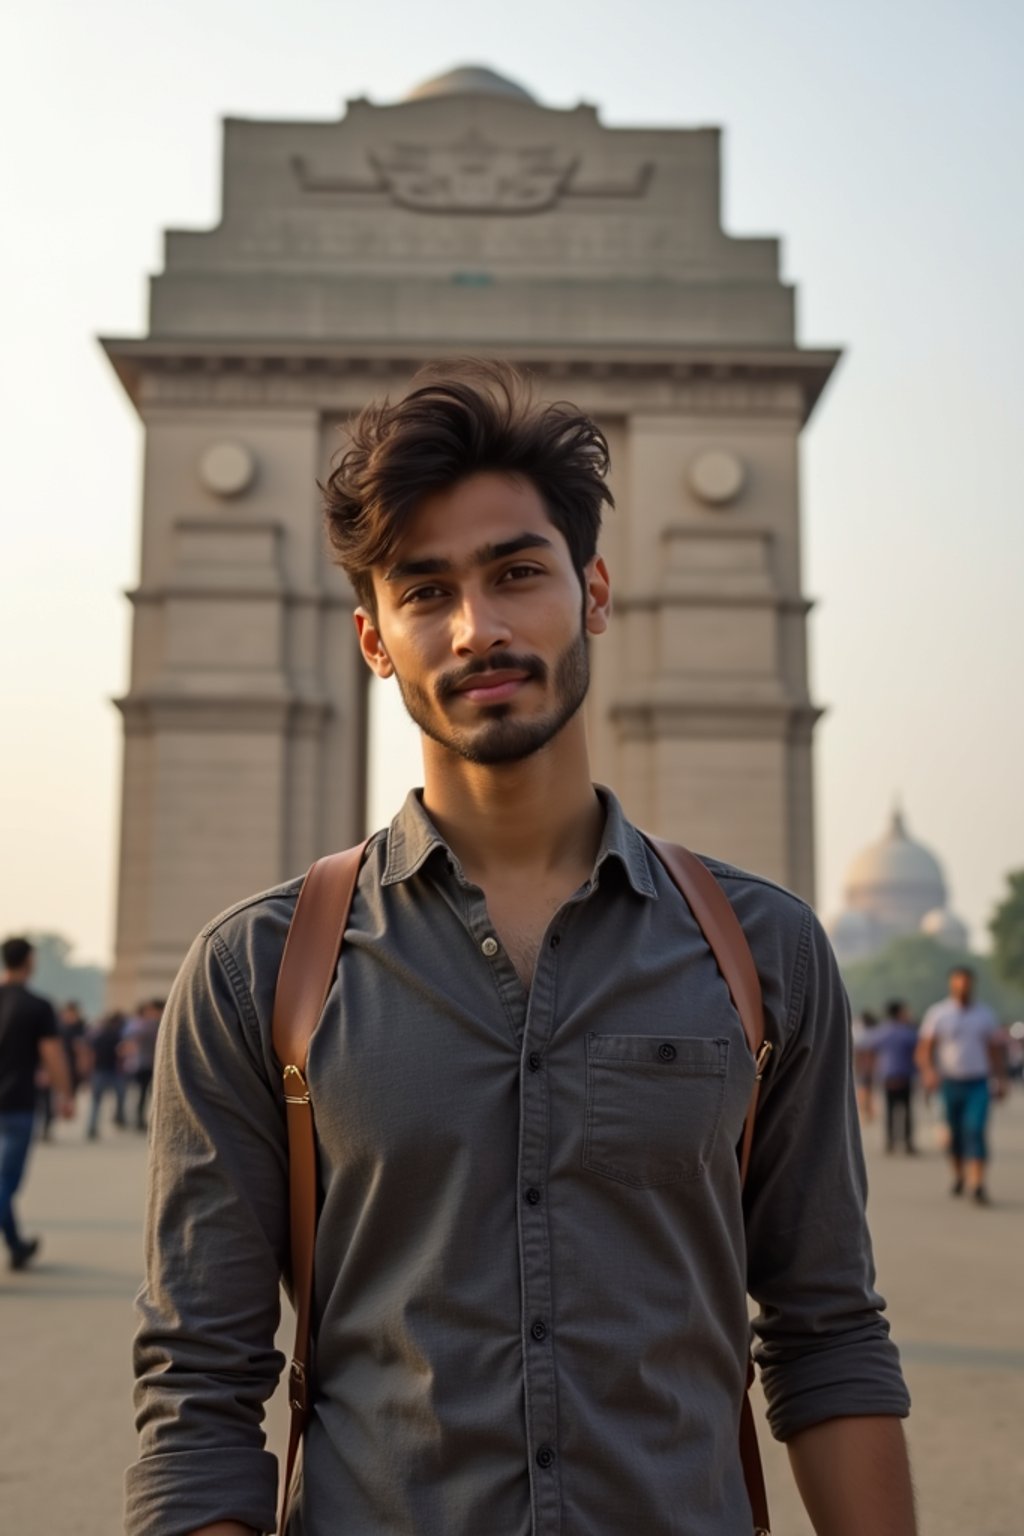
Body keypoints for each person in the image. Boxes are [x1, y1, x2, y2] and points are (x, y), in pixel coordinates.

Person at [127, 364, 915, 1536]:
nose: (478, 627)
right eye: (424, 589)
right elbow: (196, 1387)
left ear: (593, 589)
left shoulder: (766, 954)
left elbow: (827, 1333)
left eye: (516, 572)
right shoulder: (252, 975)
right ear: (373, 639)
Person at [0, 937, 73, 1269]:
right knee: (5, 1183)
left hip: (17, 1106)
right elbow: (52, 1055)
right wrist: (65, 1094)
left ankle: (17, 1246)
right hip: (17, 1104)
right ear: (29, 961)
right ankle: (17, 1245)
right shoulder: (37, 1005)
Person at [916, 966, 1007, 1204]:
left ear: (972, 985)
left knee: (975, 1130)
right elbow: (925, 1049)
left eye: (966, 983)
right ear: (951, 985)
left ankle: (978, 1183)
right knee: (954, 1134)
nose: (963, 987)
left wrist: (1001, 1078)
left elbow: (994, 1050)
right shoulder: (939, 1014)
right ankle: (958, 1175)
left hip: (977, 1082)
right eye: (958, 983)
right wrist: (928, 1071)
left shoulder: (984, 1015)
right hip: (949, 1082)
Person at [870, 1001, 918, 1154]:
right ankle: (908, 1142)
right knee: (907, 1110)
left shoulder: (881, 1032)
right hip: (904, 1075)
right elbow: (916, 1050)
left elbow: (871, 1049)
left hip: (888, 1076)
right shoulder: (907, 1032)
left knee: (890, 1111)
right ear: (899, 1013)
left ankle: (890, 1142)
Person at [119, 999, 163, 1132]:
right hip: (147, 1064)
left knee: (145, 1094)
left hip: (144, 1064)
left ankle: (140, 1119)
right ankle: (141, 1120)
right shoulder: (149, 1026)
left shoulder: (137, 1026)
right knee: (147, 1094)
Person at [85, 1011, 128, 1139]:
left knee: (96, 1102)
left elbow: (91, 1056)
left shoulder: (97, 1037)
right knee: (120, 1097)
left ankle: (92, 1127)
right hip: (114, 1071)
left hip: (99, 1071)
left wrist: (89, 1072)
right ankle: (119, 1118)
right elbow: (122, 1053)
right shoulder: (117, 1036)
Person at [850, 1008, 880, 1121]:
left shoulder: (859, 1033)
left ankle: (865, 1111)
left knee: (863, 1088)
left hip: (862, 1065)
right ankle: (867, 1110)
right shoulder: (873, 1033)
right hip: (869, 1065)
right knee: (867, 1089)